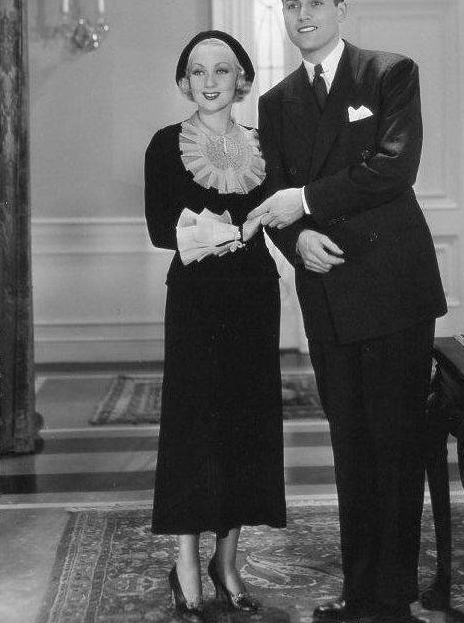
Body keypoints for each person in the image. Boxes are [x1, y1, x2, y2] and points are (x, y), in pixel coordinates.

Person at [250, 0, 447, 623]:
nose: (302, 15)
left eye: (315, 2)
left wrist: (305, 201)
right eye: (291, 5)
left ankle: (394, 597)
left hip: (393, 287)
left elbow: (394, 167)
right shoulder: (276, 102)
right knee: (351, 446)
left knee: (394, 444)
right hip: (328, 289)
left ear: (340, 8)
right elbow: (270, 199)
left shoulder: (388, 73)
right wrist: (296, 240)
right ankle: (360, 592)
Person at [144, 30, 285, 622]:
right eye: (198, 71)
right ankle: (184, 564)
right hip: (196, 302)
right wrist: (233, 230)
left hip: (254, 298)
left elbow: (279, 218)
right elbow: (161, 229)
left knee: (245, 426)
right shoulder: (165, 145)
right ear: (184, 82)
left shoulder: (263, 145)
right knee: (193, 425)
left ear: (241, 80)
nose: (209, 82)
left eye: (221, 70)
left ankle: (226, 562)